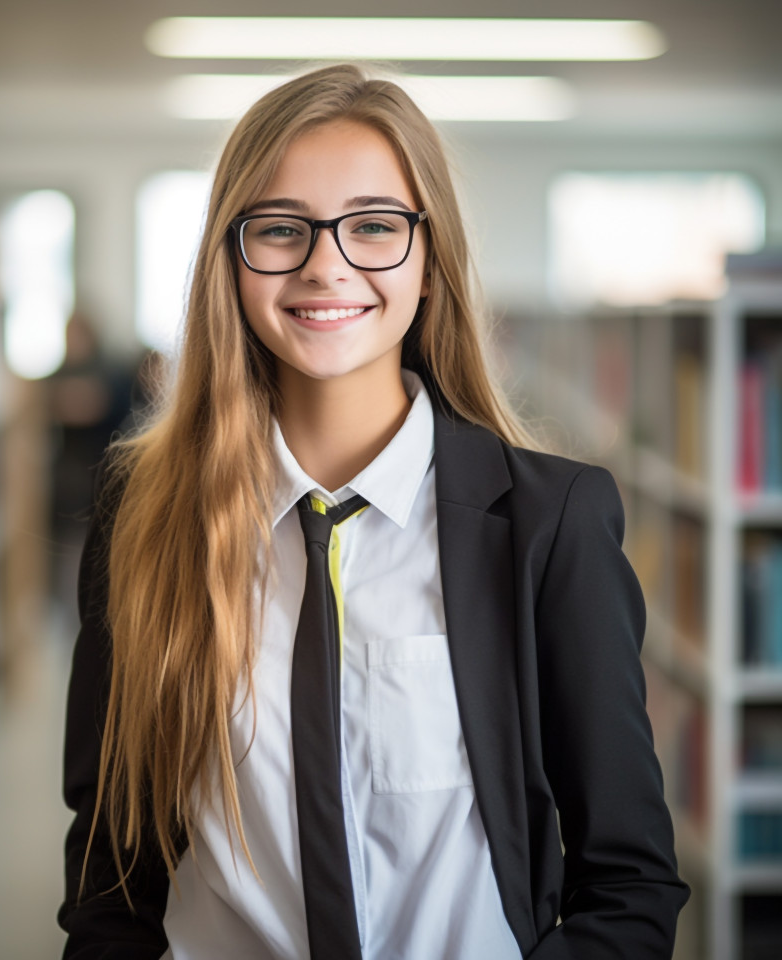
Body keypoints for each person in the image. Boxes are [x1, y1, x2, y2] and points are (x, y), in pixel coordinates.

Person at [58, 64, 689, 960]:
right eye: (280, 229)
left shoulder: (551, 525)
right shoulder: (145, 525)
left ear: (431, 263)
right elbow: (110, 882)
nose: (326, 263)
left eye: (375, 227)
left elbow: (627, 884)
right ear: (230, 260)